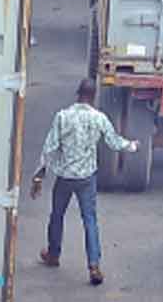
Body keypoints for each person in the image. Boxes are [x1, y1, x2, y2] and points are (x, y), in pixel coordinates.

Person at [32, 78, 139, 286]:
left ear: (78, 94)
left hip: (64, 177)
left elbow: (50, 148)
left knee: (57, 215)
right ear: (93, 96)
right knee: (89, 220)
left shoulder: (62, 117)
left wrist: (39, 175)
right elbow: (114, 141)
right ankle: (94, 265)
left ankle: (53, 254)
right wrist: (133, 146)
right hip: (86, 179)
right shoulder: (99, 118)